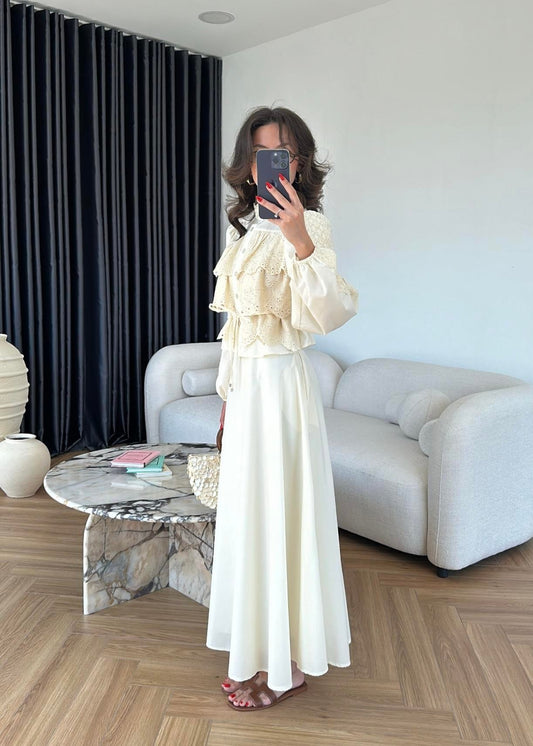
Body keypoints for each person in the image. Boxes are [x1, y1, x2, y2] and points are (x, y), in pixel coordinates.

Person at [206, 106, 358, 712]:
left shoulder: (312, 227)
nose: (275, 163)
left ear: (299, 163)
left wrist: (298, 241)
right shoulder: (240, 234)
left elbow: (329, 314)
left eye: (286, 153)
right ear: (249, 168)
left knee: (284, 519)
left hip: (285, 393)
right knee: (251, 520)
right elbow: (235, 331)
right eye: (264, 154)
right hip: (248, 393)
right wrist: (226, 400)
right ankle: (256, 653)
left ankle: (289, 666)